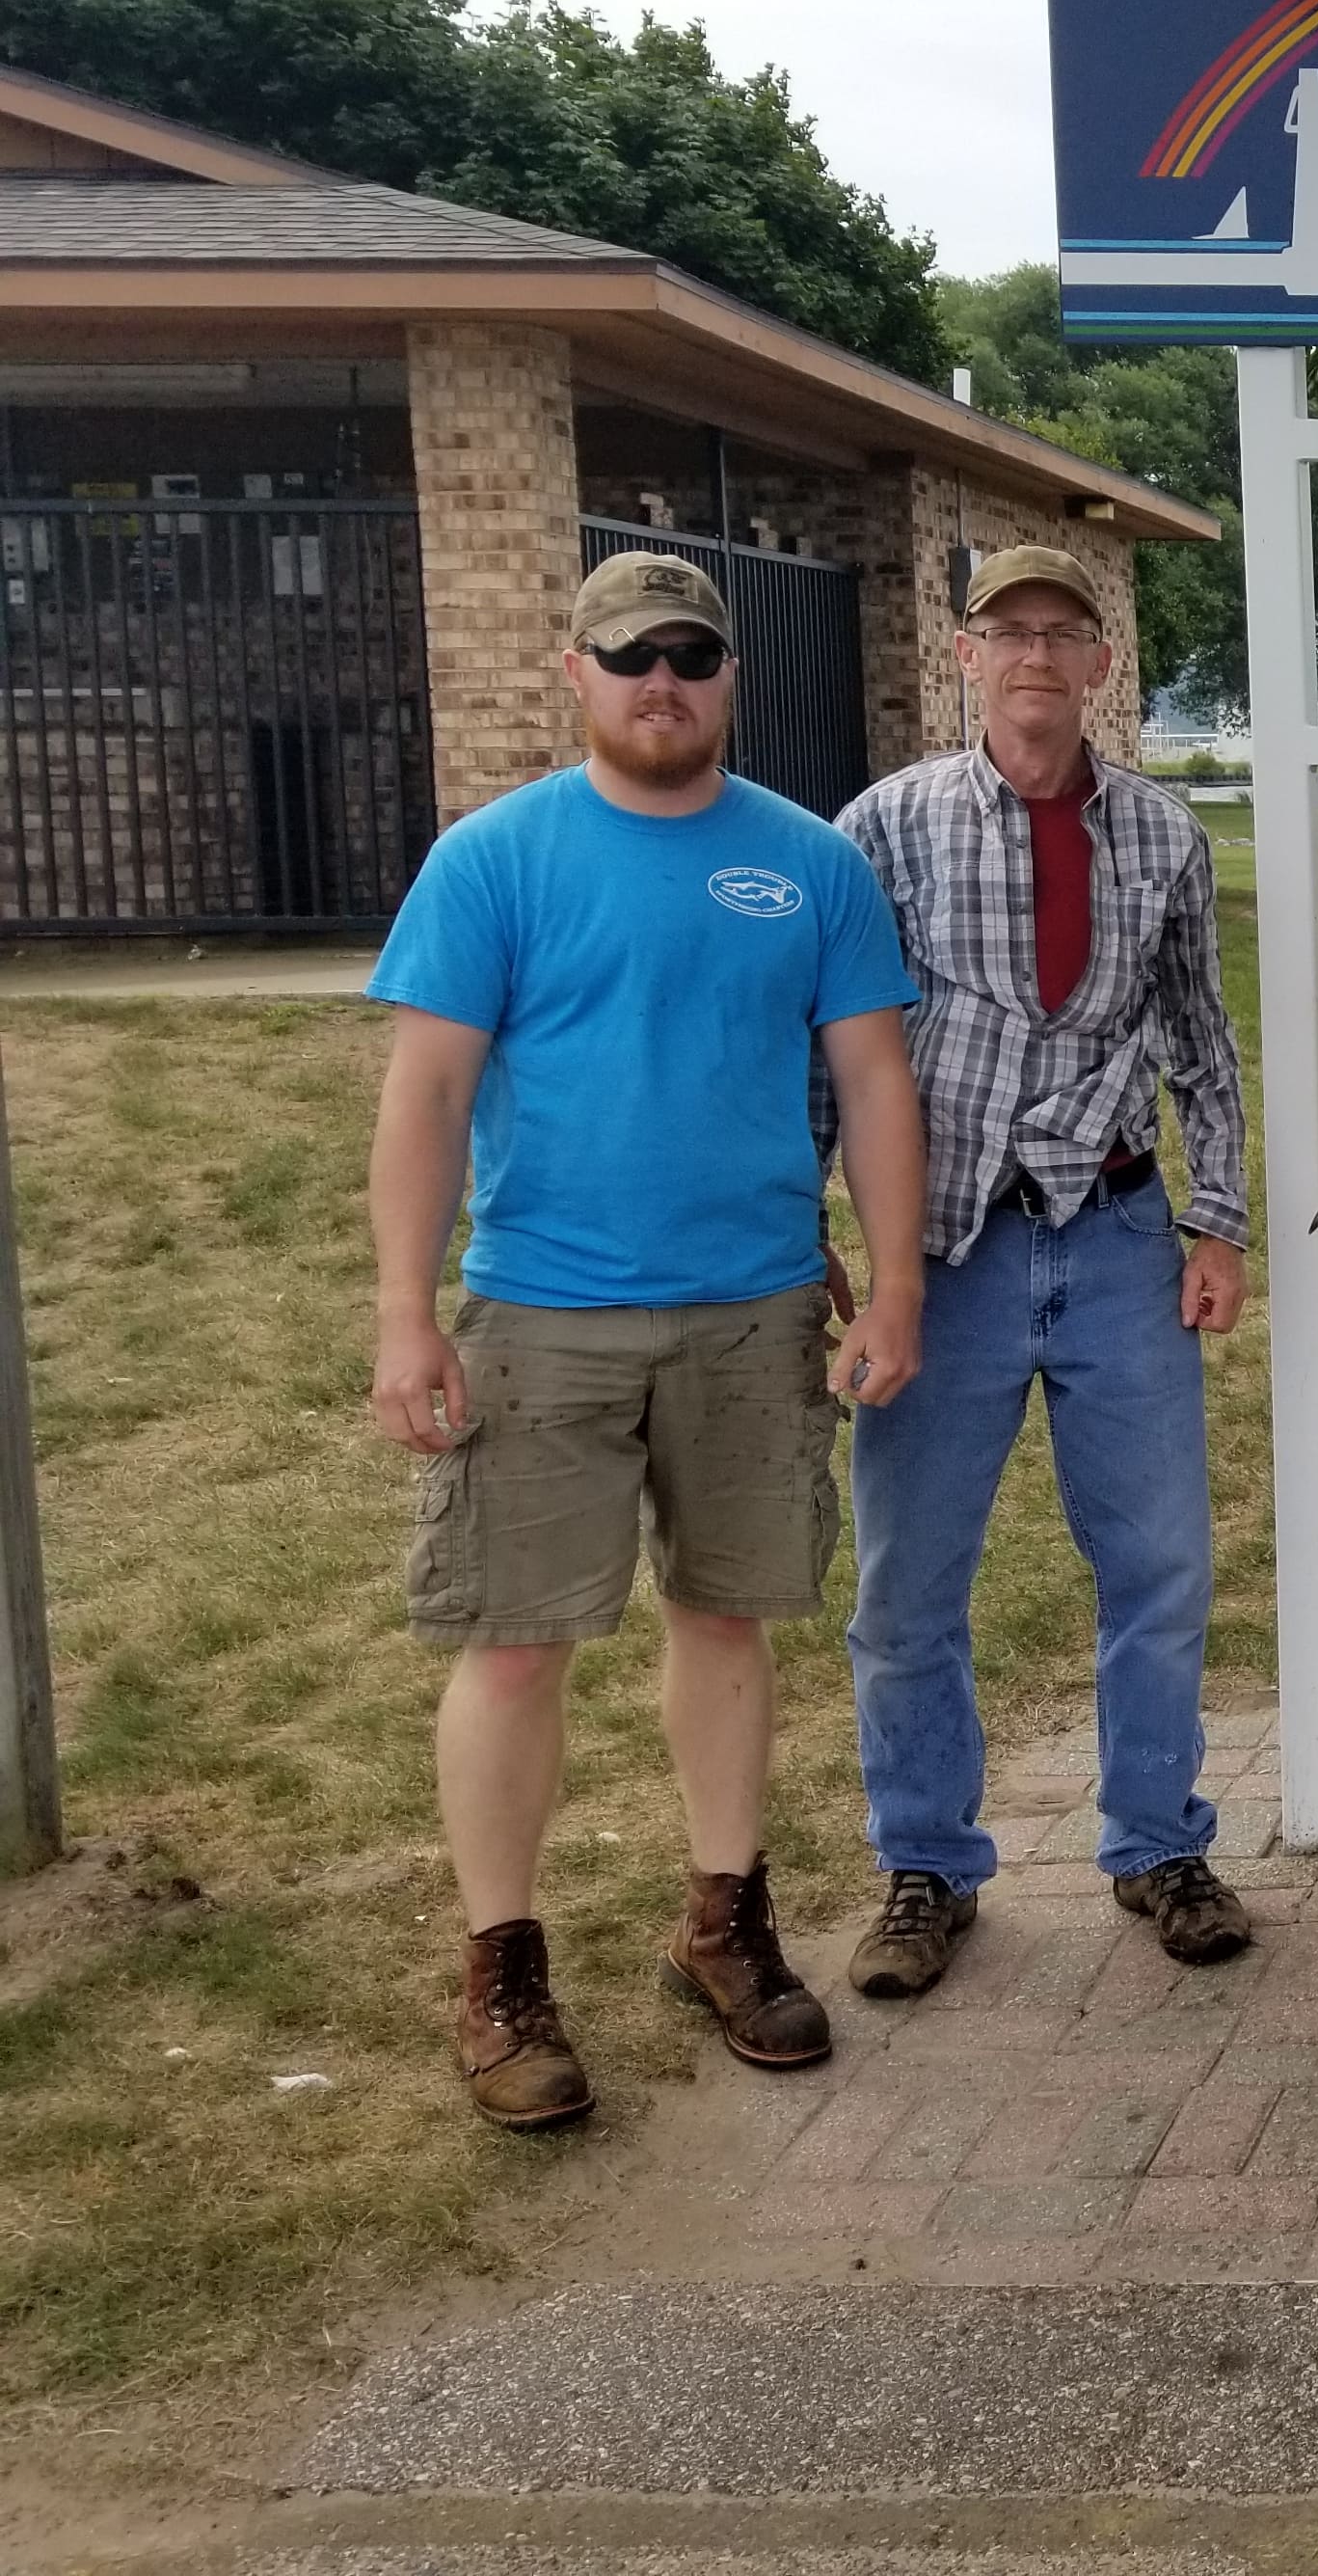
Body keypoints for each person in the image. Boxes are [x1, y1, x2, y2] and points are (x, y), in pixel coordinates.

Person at [366, 551, 928, 2129]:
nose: (660, 682)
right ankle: (501, 1968)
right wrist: (408, 1313)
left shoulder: (809, 865)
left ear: (728, 672)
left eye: (689, 653)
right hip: (540, 1315)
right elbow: (425, 1096)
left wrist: (896, 1284)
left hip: (751, 1312)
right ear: (577, 672)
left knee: (729, 1620)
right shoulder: (496, 860)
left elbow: (876, 1082)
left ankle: (724, 1923)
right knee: (516, 1640)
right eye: (630, 656)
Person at [829, 544, 1255, 1997]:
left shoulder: (1164, 839)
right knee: (907, 1586)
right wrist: (816, 1240)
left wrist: (1222, 1222)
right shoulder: (881, 830)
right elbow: (833, 1048)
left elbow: (1201, 1042)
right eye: (1006, 632)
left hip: (1119, 1238)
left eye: (1062, 634)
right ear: (964, 658)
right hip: (936, 1251)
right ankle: (925, 1867)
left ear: (1101, 666)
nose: (1034, 657)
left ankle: (1157, 1843)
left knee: (1159, 1564)